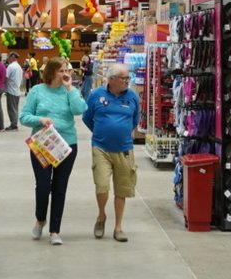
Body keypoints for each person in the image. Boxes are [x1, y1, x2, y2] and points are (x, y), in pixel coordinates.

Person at [19, 58, 86, 245]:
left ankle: (55, 230)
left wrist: (70, 88)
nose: (65, 73)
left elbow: (80, 109)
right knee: (43, 186)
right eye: (60, 70)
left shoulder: (70, 91)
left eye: (67, 70)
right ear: (50, 72)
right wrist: (40, 120)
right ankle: (40, 219)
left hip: (67, 145)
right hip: (43, 143)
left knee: (59, 187)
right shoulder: (36, 91)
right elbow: (23, 117)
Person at [83, 62, 141, 242]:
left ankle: (118, 227)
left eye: (128, 78)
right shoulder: (96, 95)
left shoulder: (132, 97)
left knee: (122, 189)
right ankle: (101, 216)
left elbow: (134, 120)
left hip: (124, 149)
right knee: (102, 186)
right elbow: (87, 118)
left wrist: (120, 132)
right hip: (101, 147)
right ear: (112, 79)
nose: (127, 81)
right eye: (124, 78)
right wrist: (102, 132)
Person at [4, 53, 25, 128]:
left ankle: (13, 125)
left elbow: (6, 77)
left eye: (8, 57)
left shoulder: (11, 66)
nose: (8, 59)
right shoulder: (19, 66)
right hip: (17, 90)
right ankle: (14, 123)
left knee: (11, 108)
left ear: (12, 57)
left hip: (11, 90)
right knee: (15, 108)